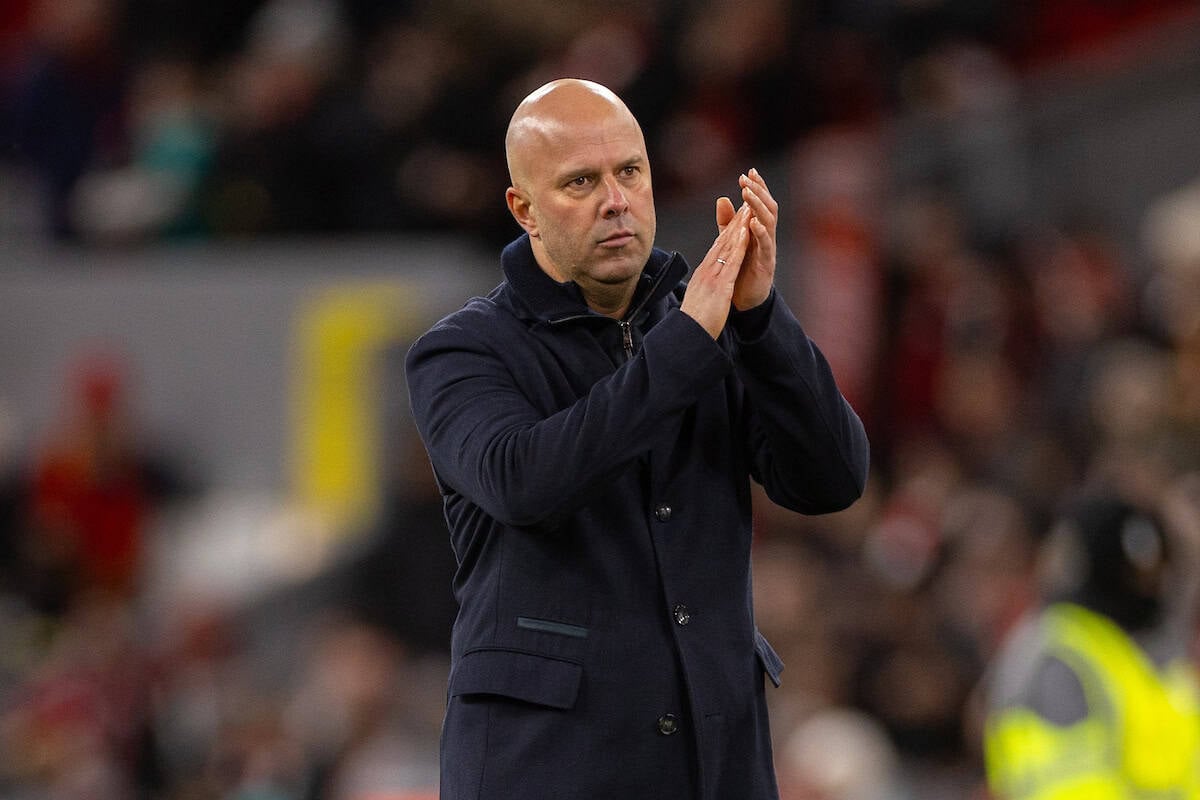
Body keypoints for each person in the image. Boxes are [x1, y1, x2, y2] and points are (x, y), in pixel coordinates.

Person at [404, 77, 869, 800]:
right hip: (550, 770)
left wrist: (758, 319)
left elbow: (832, 477)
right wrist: (689, 342)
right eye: (580, 182)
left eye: (629, 171)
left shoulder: (710, 323)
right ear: (523, 209)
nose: (615, 199)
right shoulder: (463, 352)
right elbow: (525, 481)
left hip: (716, 766)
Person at [983, 493, 1200, 799]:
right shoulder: (1058, 653)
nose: (1152, 582)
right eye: (1137, 572)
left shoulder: (1152, 643)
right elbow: (1068, 787)